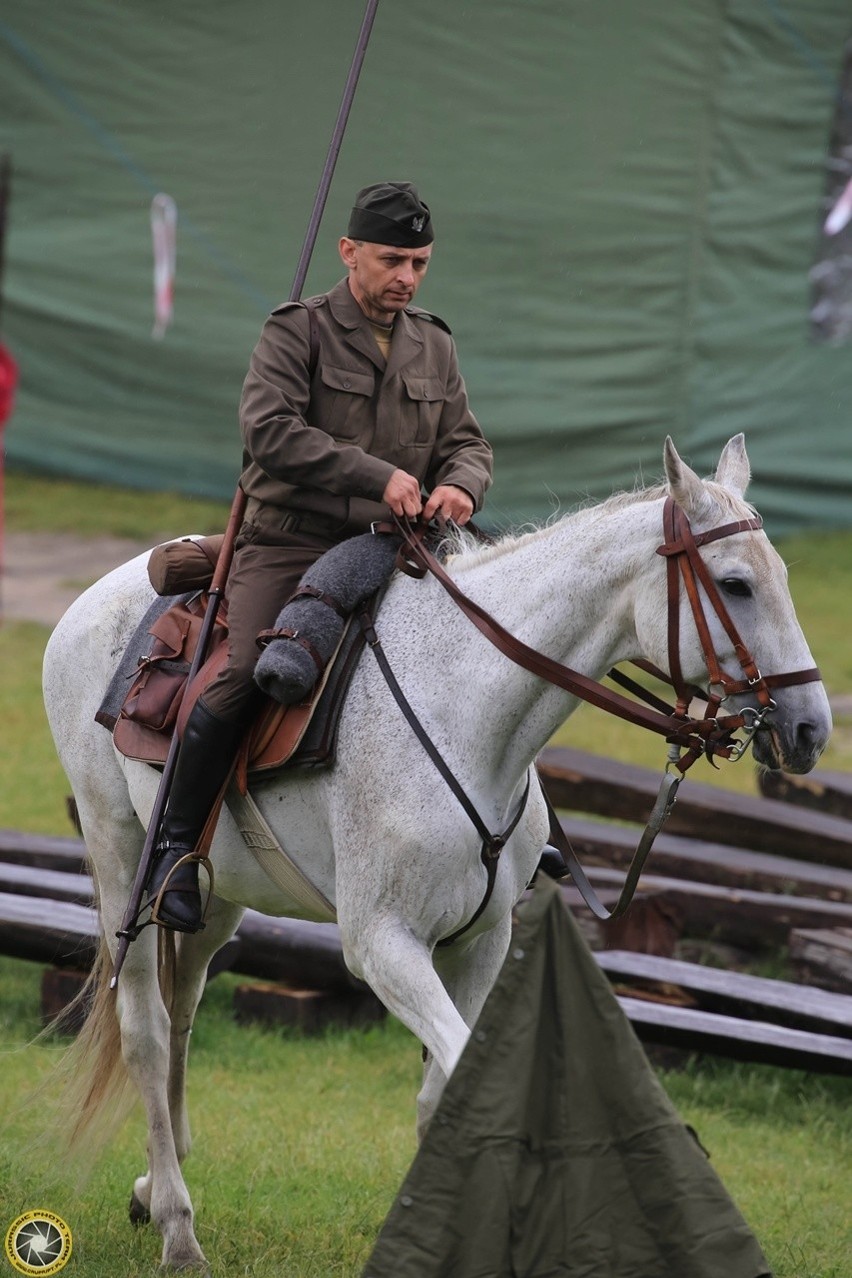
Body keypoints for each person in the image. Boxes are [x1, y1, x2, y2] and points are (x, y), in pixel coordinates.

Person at [147, 181, 494, 931]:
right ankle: (172, 850)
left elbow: (467, 440)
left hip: (396, 546)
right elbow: (268, 431)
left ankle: (510, 836)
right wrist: (379, 476)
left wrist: (463, 484)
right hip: (290, 540)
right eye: (393, 258)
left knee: (488, 658)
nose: (407, 276)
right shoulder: (296, 331)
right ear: (350, 252)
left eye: (421, 262)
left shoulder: (433, 342)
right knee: (244, 673)